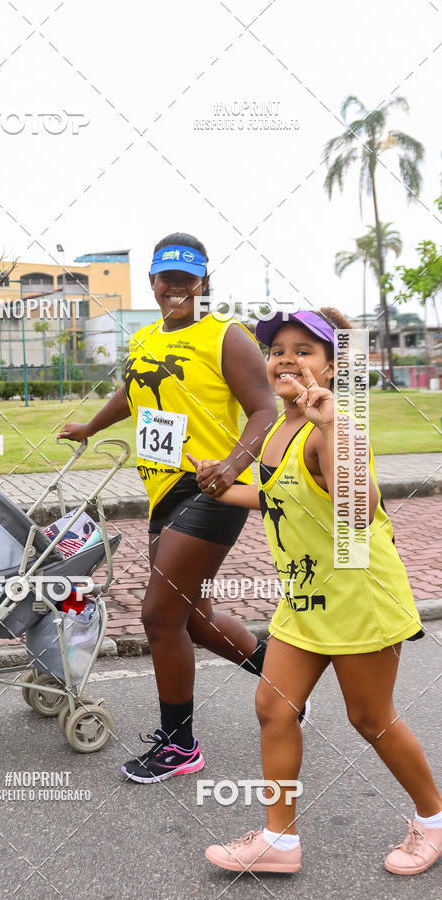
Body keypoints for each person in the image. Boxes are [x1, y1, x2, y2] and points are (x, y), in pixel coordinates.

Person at [188, 308, 441, 877]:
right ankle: (279, 841)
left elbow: (359, 507)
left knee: (370, 718)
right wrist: (223, 487)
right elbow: (283, 498)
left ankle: (433, 819)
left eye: (305, 350)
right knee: (273, 706)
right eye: (278, 349)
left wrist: (331, 426)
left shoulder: (332, 429)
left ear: (330, 366)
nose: (287, 358)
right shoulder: (280, 429)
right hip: (306, 596)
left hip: (360, 596)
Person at [58, 232, 279, 782]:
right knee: (195, 622)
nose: (175, 287)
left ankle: (179, 746)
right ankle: (285, 674)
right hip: (164, 495)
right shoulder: (146, 338)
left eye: (187, 277)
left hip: (212, 491)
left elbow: (263, 409)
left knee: (158, 616)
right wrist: (90, 426)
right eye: (166, 277)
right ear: (153, 282)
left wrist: (231, 465)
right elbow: (132, 392)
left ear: (204, 281)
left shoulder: (227, 336)